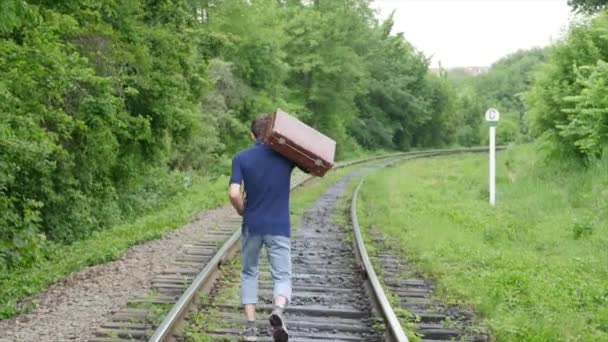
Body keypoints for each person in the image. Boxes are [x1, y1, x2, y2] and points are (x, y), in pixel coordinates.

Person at [228, 114, 308, 342]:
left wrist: (242, 210)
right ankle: (278, 311)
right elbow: (311, 165)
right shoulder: (286, 157)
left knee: (249, 272)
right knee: (282, 275)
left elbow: (234, 193)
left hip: (252, 225)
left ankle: (251, 328)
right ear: (273, 132)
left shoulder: (241, 158)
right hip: (279, 226)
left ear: (252, 135)